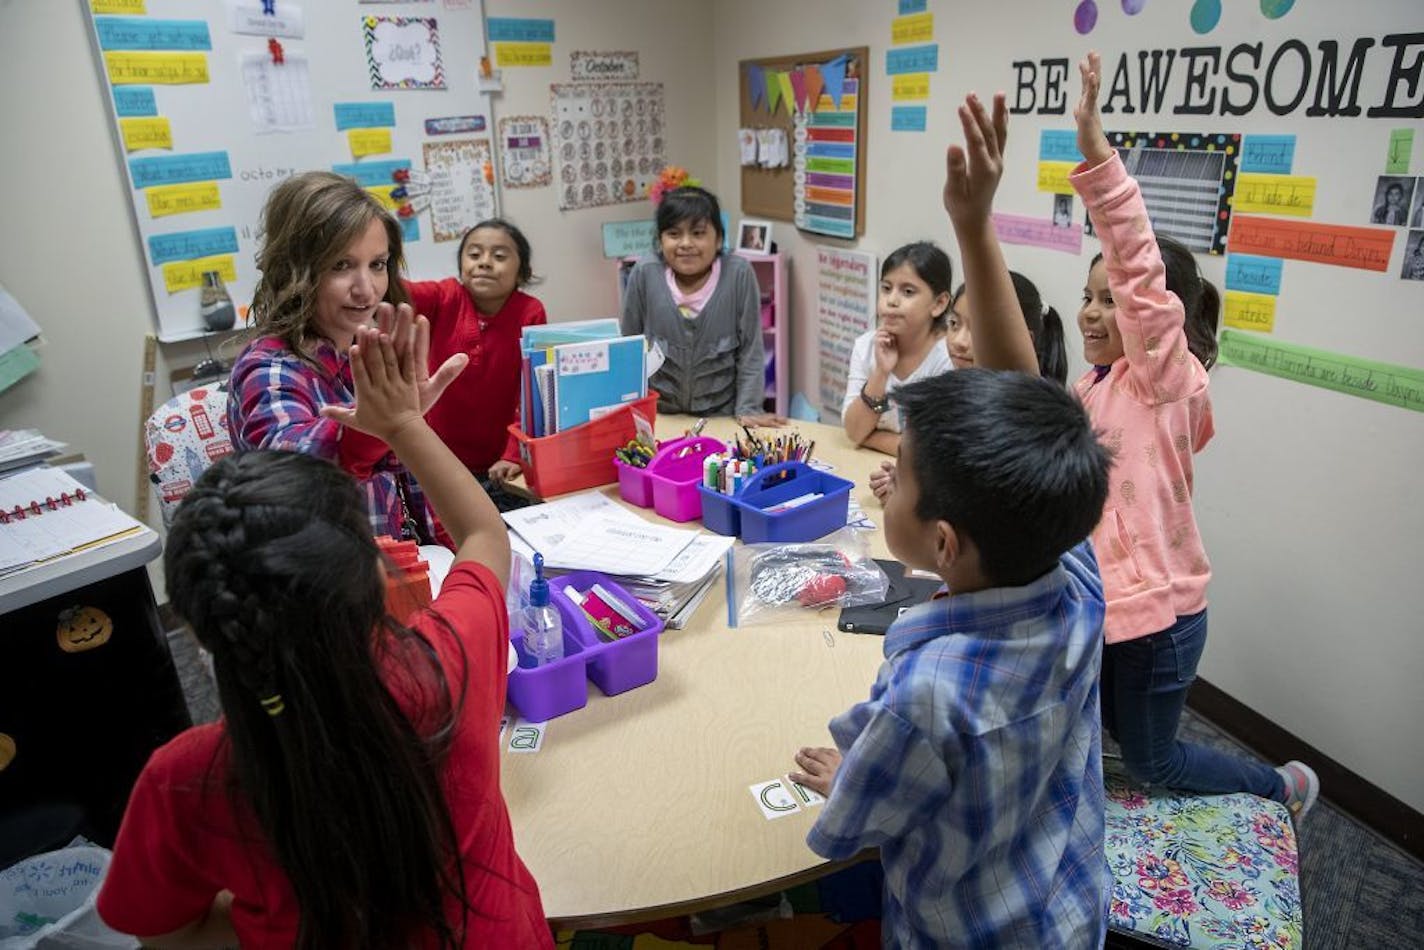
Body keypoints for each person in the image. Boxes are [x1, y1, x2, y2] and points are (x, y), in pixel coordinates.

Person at [97, 310, 551, 947]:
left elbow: (169, 936)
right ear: (376, 574)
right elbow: (483, 533)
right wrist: (403, 425)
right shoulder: (448, 665)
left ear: (202, 633)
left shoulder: (181, 781)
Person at [791, 92, 1112, 948]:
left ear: (942, 542)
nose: (886, 482)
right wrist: (975, 224)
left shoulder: (923, 700)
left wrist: (848, 776)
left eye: (898, 482)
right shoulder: (1071, 578)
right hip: (1069, 904)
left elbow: (856, 823)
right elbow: (1026, 399)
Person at [1071, 53, 1317, 814]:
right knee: (1112, 728)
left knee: (1157, 763)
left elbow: (1140, 274)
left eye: (1111, 303)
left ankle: (1280, 786)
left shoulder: (1168, 383)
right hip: (1109, 609)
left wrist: (1096, 152)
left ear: (1154, 320)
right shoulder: (1094, 387)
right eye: (1087, 298)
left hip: (1163, 621)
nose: (1090, 313)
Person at [227, 171, 465, 543]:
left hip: (394, 564)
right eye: (340, 265)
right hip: (314, 579)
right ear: (295, 270)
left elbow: (419, 484)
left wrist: (457, 552)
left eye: (377, 264)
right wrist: (378, 428)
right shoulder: (269, 367)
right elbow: (292, 476)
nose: (366, 289)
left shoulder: (373, 351)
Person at [869, 270, 1067, 501]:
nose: (959, 342)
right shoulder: (952, 390)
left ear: (1022, 341)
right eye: (954, 323)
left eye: (979, 330)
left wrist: (916, 496)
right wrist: (911, 482)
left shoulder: (1032, 423)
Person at [620, 186, 785, 426]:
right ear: (660, 239)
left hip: (720, 416)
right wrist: (630, 409)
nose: (686, 244)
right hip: (660, 413)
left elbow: (751, 350)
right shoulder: (645, 273)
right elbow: (628, 345)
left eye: (698, 233)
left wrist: (749, 407)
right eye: (674, 234)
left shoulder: (738, 274)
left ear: (718, 239)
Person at [405, 219, 547, 486]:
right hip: (438, 458)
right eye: (474, 254)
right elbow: (397, 292)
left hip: (500, 466)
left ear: (522, 272)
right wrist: (376, 258)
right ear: (462, 266)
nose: (484, 262)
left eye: (499, 256)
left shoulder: (531, 312)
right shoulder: (445, 296)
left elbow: (531, 392)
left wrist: (514, 455)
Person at [841, 242, 955, 456]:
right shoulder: (866, 346)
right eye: (886, 288)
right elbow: (854, 432)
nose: (892, 300)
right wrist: (880, 373)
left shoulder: (950, 357)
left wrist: (870, 437)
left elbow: (934, 452)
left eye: (908, 292)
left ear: (939, 303)